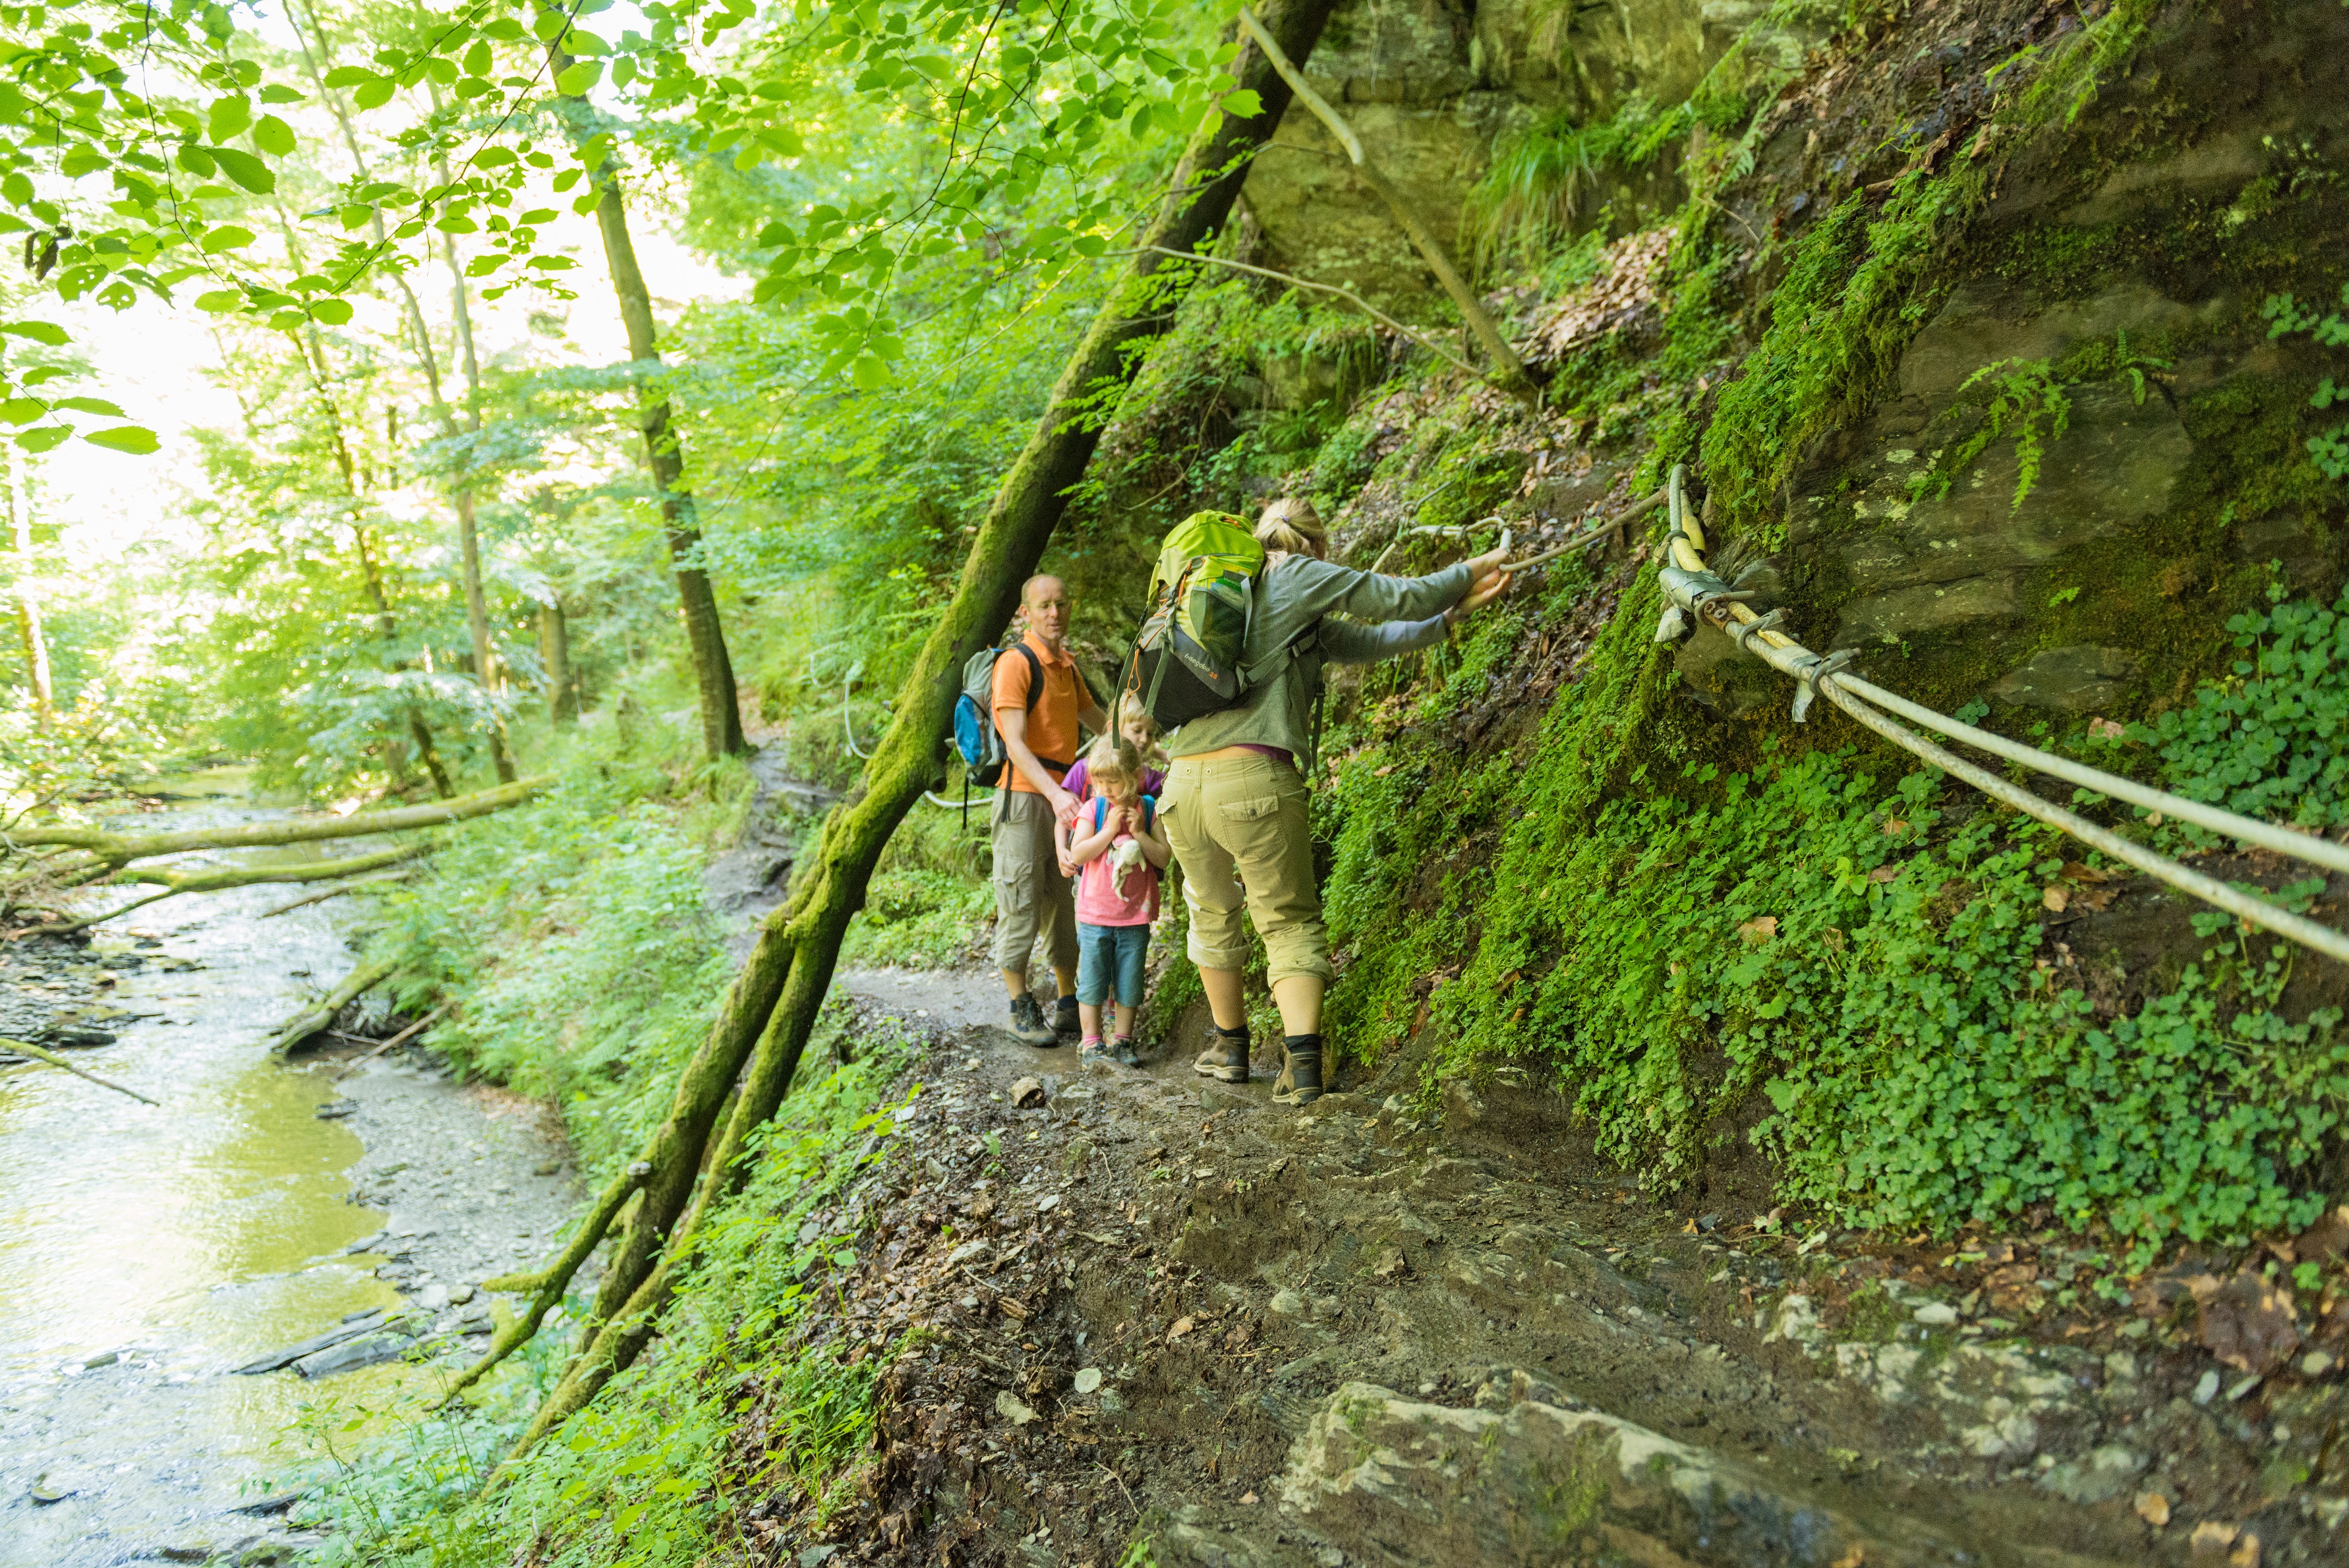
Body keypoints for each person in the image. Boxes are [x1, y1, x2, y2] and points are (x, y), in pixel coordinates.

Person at [1159, 498, 1513, 1106]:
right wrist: (1475, 568)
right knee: (1287, 921)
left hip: (1181, 785)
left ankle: (1229, 1046)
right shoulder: (1296, 574)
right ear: (1317, 544)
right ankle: (1303, 1068)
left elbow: (1365, 642)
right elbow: (1397, 599)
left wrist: (1448, 622)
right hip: (1252, 777)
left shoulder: (1226, 594)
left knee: (1212, 914)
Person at [992, 573, 1108, 1047]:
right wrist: (1057, 794)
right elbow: (1014, 744)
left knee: (1064, 901)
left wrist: (1147, 746)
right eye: (1044, 605)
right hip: (1024, 797)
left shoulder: (1068, 666)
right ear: (1026, 612)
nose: (1054, 613)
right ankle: (1020, 1005)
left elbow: (1100, 721)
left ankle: (1066, 1002)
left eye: (1061, 603)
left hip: (1066, 798)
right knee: (1021, 899)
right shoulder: (1016, 664)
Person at [1063, 723, 1171, 1070]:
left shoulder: (1148, 808)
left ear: (1136, 776)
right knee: (1093, 981)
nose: (1107, 789)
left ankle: (1122, 1040)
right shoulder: (1092, 809)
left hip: (1135, 917)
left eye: (1114, 781)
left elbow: (1163, 857)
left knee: (1129, 981)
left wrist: (1139, 832)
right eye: (1099, 782)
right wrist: (1108, 830)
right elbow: (1078, 854)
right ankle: (1091, 1040)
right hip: (1095, 915)